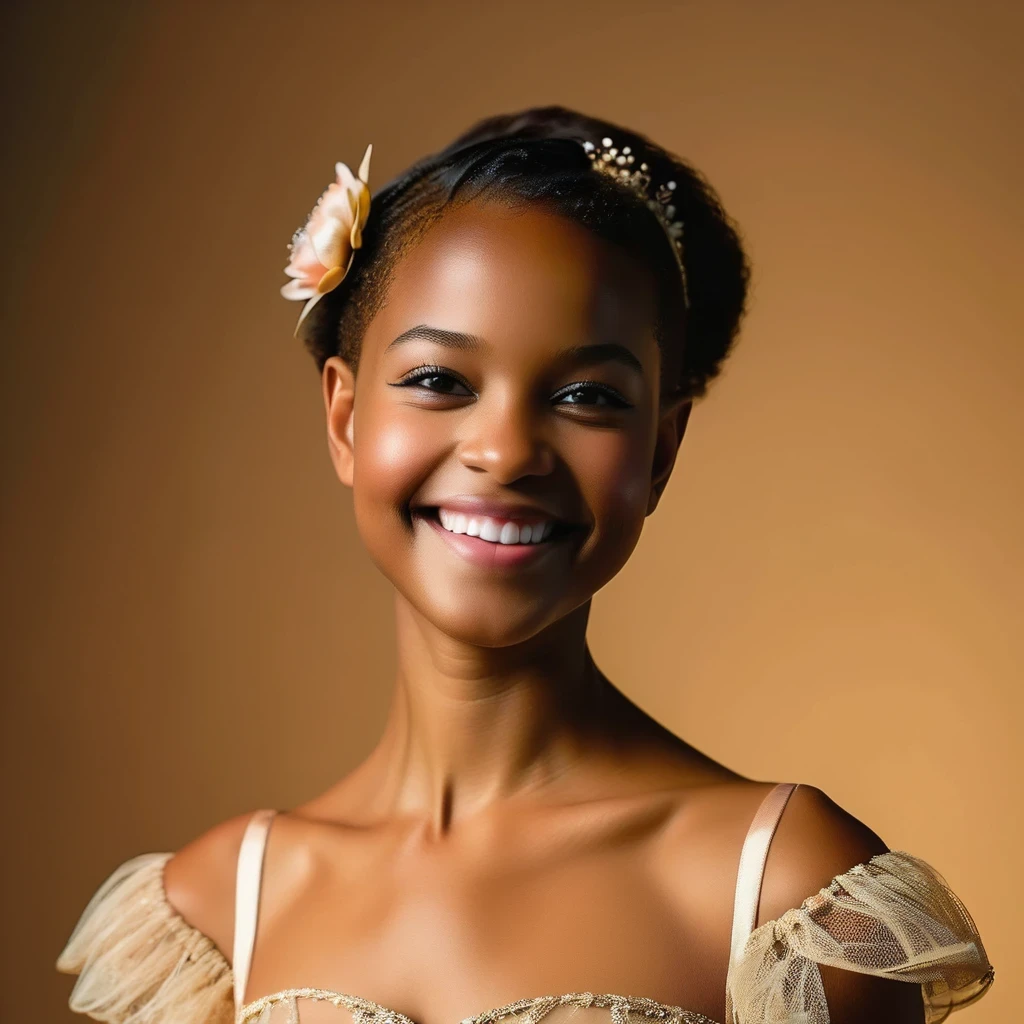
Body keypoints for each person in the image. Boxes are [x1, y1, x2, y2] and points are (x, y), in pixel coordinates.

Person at [55, 105, 995, 1024]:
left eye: (587, 395)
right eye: (439, 381)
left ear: (661, 452)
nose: (505, 451)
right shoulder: (216, 915)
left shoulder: (784, 894)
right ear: (343, 418)